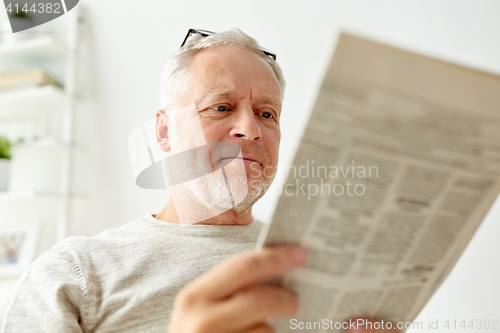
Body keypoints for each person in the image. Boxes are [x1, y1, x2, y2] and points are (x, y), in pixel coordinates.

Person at [0, 29, 398, 333]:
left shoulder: (326, 270)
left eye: (267, 114)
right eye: (221, 107)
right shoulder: (76, 273)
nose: (250, 129)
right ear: (164, 132)